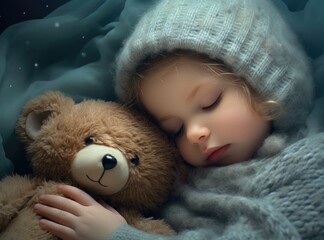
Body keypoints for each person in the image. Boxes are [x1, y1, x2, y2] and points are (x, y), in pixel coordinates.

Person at [33, 0, 324, 239]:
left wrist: (117, 235)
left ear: (263, 83)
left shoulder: (312, 163)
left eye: (210, 103)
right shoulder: (184, 186)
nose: (194, 133)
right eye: (175, 130)